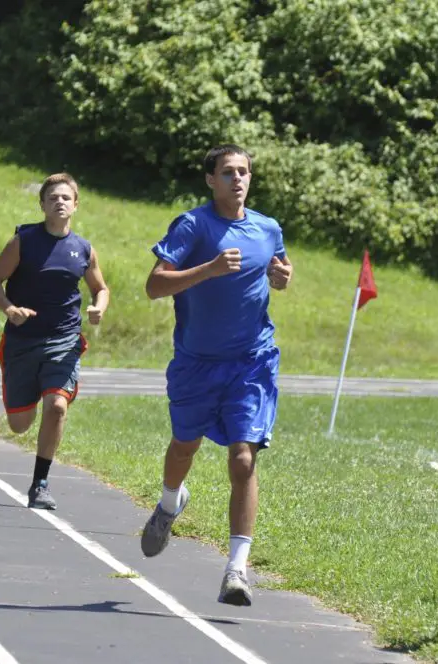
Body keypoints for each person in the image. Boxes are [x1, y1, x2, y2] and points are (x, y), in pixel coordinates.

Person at [139, 144, 293, 607]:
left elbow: (279, 269)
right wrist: (207, 268)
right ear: (210, 180)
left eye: (243, 172)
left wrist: (282, 277)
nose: (237, 180)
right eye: (227, 172)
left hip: (251, 360)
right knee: (184, 446)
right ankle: (170, 504)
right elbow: (154, 285)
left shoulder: (267, 228)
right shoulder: (193, 225)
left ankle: (236, 570)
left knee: (244, 458)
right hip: (196, 363)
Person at [0, 172, 110, 510]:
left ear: (76, 205)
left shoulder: (84, 249)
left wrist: (98, 307)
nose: (60, 202)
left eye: (66, 198)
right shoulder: (23, 241)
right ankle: (29, 391)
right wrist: (10, 309)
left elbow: (101, 288)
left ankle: (40, 482)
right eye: (53, 198)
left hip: (64, 340)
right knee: (19, 424)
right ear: (42, 205)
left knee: (56, 406)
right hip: (22, 341)